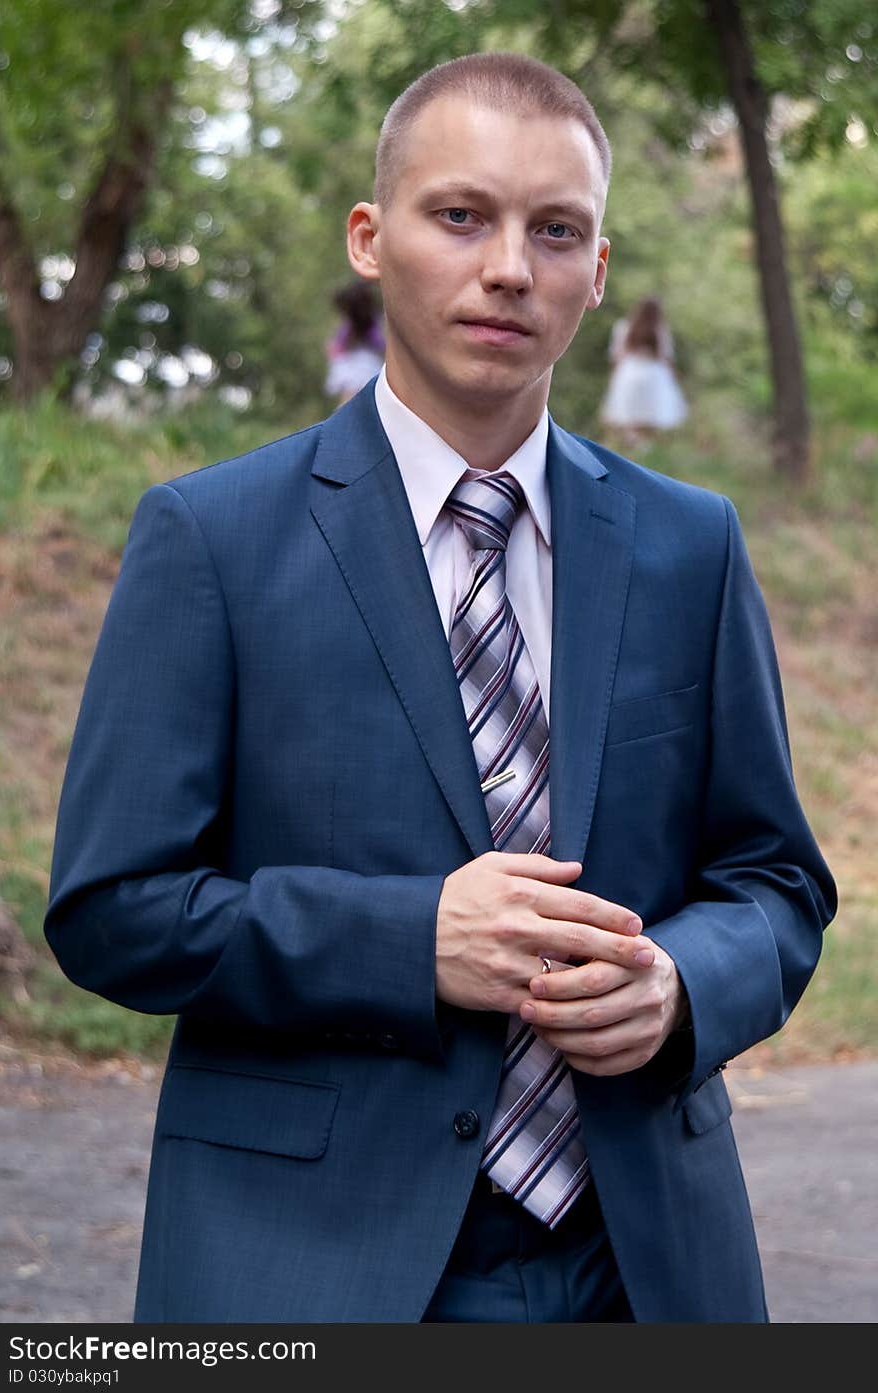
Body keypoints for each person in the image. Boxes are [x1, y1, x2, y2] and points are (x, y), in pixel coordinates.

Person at [45, 52, 835, 1323]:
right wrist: (412, 940)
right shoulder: (213, 538)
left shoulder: (692, 544)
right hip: (310, 1261)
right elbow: (113, 908)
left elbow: (775, 882)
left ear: (598, 270)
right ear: (371, 237)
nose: (509, 266)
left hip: (643, 1264)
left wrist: (681, 983)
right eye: (460, 215)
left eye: (555, 229)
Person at [600, 296, 688, 448]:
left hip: (629, 372)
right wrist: (674, 377)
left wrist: (614, 377)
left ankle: (632, 444)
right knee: (651, 415)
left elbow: (617, 355)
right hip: (653, 374)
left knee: (629, 414)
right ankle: (643, 447)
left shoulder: (624, 327)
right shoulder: (659, 329)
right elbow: (665, 357)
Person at [324, 279, 386, 406]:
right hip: (369, 366)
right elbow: (380, 345)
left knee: (348, 402)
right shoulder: (371, 325)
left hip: (349, 367)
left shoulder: (347, 328)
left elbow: (336, 348)